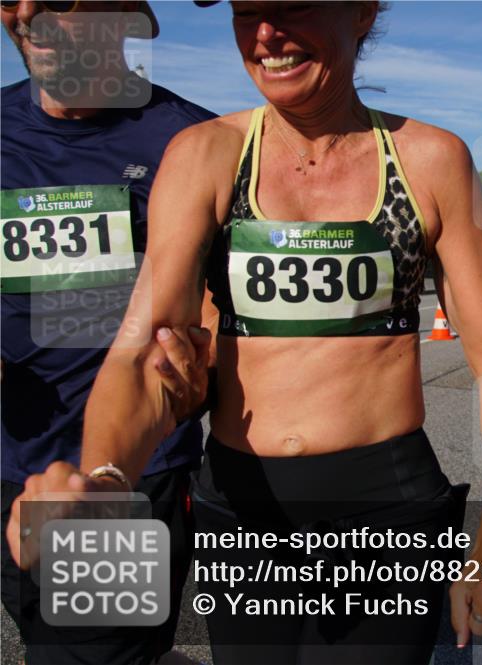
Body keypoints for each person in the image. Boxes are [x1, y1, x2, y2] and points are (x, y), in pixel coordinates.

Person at [9, 3, 482, 663]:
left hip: (386, 504)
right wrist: (105, 479)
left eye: (291, 5)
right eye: (248, 11)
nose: (266, 33)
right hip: (241, 505)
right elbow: (144, 347)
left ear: (361, 12)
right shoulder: (206, 153)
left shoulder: (431, 159)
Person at [1, 2, 217, 663]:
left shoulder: (189, 142)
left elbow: (222, 307)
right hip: (10, 463)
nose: (27, 14)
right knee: (43, 639)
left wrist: (204, 364)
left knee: (94, 654)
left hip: (125, 474)